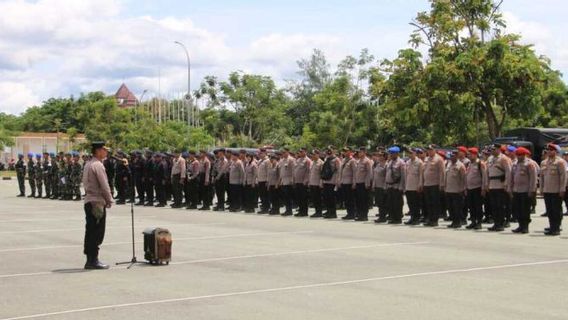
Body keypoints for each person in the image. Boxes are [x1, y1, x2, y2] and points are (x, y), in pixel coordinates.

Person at [82, 141, 113, 269]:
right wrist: (109, 199)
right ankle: (93, 260)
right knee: (97, 232)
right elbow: (104, 185)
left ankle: (90, 259)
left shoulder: (88, 164)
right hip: (97, 202)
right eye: (104, 150)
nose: (106, 152)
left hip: (89, 200)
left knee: (90, 231)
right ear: (99, 151)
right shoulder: (98, 165)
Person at [540, 144, 567, 236]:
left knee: (556, 210)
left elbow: (564, 176)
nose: (549, 152)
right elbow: (542, 177)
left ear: (555, 151)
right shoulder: (544, 162)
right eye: (548, 150)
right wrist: (541, 188)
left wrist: (562, 189)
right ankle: (552, 227)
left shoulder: (560, 162)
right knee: (550, 210)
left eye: (551, 150)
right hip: (547, 189)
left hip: (556, 190)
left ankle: (556, 228)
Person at [509, 147, 537, 234]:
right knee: (518, 209)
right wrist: (510, 188)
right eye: (517, 155)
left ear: (524, 155)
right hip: (516, 190)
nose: (518, 157)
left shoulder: (529, 164)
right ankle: (520, 225)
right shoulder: (514, 164)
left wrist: (532, 190)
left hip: (525, 190)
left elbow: (533, 178)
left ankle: (525, 227)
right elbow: (512, 177)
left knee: (525, 209)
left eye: (520, 155)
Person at [486, 144, 512, 232]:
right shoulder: (490, 159)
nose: (492, 151)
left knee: (500, 205)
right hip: (492, 184)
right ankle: (496, 223)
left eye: (493, 149)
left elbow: (508, 171)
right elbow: (487, 172)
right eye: (491, 149)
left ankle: (500, 223)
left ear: (498, 149)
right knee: (493, 205)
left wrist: (506, 183)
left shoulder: (504, 158)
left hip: (500, 185)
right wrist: (487, 184)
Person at [423, 145, 445, 227]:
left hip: (435, 184)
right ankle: (430, 218)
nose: (429, 151)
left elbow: (442, 172)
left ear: (434, 150)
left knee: (435, 203)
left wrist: (442, 184)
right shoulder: (426, 159)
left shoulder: (439, 159)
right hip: (427, 184)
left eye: (431, 150)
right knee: (428, 203)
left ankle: (435, 220)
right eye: (428, 150)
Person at [465, 148, 487, 230]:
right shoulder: (469, 164)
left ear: (475, 154)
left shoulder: (480, 163)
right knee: (471, 206)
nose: (469, 156)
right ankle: (473, 221)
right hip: (470, 188)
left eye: (470, 154)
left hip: (477, 188)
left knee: (478, 206)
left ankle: (479, 222)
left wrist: (484, 188)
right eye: (468, 154)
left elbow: (484, 176)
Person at [445, 151, 467, 228]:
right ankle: (453, 221)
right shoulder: (449, 164)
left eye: (453, 156)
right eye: (451, 156)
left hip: (457, 190)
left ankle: (458, 222)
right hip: (449, 189)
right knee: (450, 207)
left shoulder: (461, 165)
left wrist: (463, 189)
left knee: (457, 207)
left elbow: (464, 178)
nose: (451, 157)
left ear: (457, 156)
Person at [384, 146, 405, 224]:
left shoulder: (401, 162)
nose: (391, 155)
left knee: (397, 204)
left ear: (397, 153)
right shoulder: (390, 162)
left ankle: (398, 218)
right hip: (390, 186)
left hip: (397, 186)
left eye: (392, 153)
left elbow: (403, 175)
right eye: (390, 153)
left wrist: (401, 187)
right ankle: (392, 217)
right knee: (390, 203)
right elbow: (387, 174)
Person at [353, 147, 373, 221]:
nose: (359, 153)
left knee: (364, 200)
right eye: (359, 152)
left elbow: (369, 173)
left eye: (360, 152)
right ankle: (360, 214)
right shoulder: (359, 161)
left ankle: (364, 215)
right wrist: (354, 183)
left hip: (364, 184)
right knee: (359, 200)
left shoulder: (367, 161)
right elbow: (356, 173)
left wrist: (367, 183)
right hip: (358, 183)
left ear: (364, 152)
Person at [321, 147, 341, 219]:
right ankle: (329, 211)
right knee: (326, 197)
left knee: (332, 198)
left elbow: (339, 171)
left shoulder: (337, 160)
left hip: (333, 181)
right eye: (328, 151)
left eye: (330, 151)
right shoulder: (327, 159)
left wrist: (338, 181)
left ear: (334, 151)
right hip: (326, 180)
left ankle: (333, 213)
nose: (329, 152)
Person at [339, 147, 357, 220]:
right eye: (343, 151)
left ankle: (352, 213)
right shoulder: (343, 160)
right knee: (346, 199)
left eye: (346, 151)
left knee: (350, 199)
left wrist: (354, 182)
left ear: (350, 152)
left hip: (349, 182)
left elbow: (355, 172)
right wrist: (340, 180)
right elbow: (341, 172)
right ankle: (348, 213)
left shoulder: (352, 161)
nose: (344, 152)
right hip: (344, 182)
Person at [293, 148, 312, 217]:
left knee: (303, 198)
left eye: (302, 151)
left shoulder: (307, 160)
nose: (300, 153)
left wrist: (306, 180)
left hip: (303, 182)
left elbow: (308, 171)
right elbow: (295, 170)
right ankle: (300, 210)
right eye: (300, 151)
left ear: (305, 152)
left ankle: (304, 212)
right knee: (299, 197)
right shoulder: (298, 160)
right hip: (297, 181)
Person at [278, 148, 295, 216]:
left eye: (284, 152)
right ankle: (287, 210)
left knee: (288, 196)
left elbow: (293, 170)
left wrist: (292, 180)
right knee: (285, 197)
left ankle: (289, 210)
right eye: (282, 152)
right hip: (283, 180)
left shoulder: (291, 159)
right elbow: (281, 171)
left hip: (289, 180)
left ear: (288, 152)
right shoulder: (282, 160)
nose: (283, 154)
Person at [373, 151, 388, 223]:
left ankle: (383, 217)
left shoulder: (386, 165)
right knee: (378, 202)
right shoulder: (378, 165)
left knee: (383, 202)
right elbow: (375, 175)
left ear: (385, 157)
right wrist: (373, 185)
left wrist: (385, 186)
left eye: (381, 155)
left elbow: (386, 177)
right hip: (377, 185)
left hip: (383, 186)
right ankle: (381, 215)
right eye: (378, 155)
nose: (379, 157)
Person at [308, 149, 324, 218]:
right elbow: (310, 173)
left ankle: (319, 212)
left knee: (318, 198)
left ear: (318, 154)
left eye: (314, 154)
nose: (313, 155)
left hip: (317, 183)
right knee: (314, 198)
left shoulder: (321, 163)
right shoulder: (312, 162)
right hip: (312, 182)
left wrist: (321, 183)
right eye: (312, 154)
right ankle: (316, 211)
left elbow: (322, 174)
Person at [256, 149, 270, 214]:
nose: (260, 154)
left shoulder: (267, 161)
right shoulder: (260, 161)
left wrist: (267, 180)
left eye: (261, 153)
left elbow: (268, 171)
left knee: (265, 195)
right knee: (261, 195)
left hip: (264, 180)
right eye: (259, 153)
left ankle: (266, 208)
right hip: (260, 180)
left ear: (265, 153)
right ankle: (263, 207)